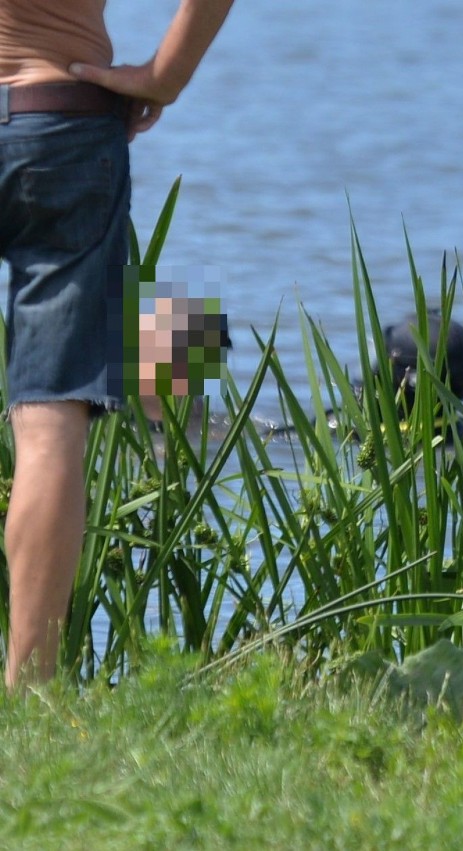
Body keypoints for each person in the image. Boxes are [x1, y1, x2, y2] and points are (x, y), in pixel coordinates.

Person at [0, 0, 235, 688]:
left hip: (63, 120)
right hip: (60, 118)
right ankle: (29, 686)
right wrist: (167, 74)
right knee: (48, 432)